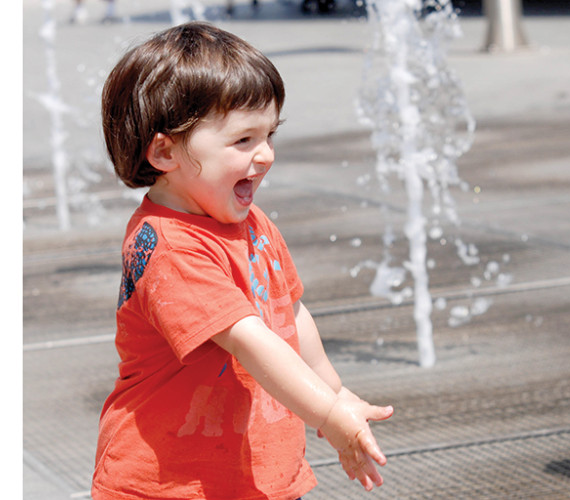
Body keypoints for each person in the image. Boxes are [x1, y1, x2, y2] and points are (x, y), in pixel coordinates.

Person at [92, 21, 393, 499]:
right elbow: (250, 340)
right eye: (243, 141)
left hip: (256, 475)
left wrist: (335, 393)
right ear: (165, 150)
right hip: (170, 483)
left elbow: (291, 313)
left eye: (270, 134)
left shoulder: (252, 223)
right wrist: (329, 416)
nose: (267, 154)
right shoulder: (170, 246)